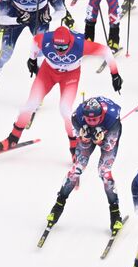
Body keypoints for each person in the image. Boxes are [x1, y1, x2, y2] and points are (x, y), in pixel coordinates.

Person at [0, 26, 122, 157]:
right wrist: (32, 59)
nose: (60, 51)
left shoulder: (80, 45)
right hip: (47, 73)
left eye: (64, 48)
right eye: (57, 47)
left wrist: (114, 74)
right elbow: (35, 41)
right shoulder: (45, 39)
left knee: (65, 110)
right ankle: (13, 138)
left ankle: (74, 147)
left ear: (70, 43)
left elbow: (106, 51)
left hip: (70, 76)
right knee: (30, 104)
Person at [47, 97, 124, 233]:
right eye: (89, 119)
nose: (92, 122)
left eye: (95, 119)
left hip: (107, 134)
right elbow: (83, 144)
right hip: (89, 133)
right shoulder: (77, 117)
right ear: (84, 116)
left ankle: (115, 213)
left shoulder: (112, 120)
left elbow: (108, 147)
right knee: (77, 168)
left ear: (101, 116)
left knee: (104, 172)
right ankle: (58, 205)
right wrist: (85, 139)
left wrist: (100, 141)